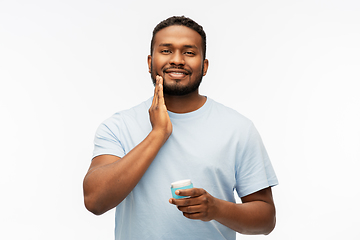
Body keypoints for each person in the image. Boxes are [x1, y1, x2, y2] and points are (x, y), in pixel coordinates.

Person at [83, 16, 278, 240]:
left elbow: (266, 219)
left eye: (189, 52)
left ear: (204, 66)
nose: (177, 60)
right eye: (166, 51)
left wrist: (216, 208)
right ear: (149, 62)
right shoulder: (118, 126)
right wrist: (157, 134)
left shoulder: (238, 128)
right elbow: (95, 201)